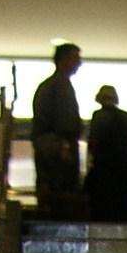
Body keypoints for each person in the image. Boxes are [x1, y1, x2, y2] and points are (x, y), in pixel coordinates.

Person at [29, 43, 83, 217]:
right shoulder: (60, 85)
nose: (79, 63)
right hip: (57, 144)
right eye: (76, 58)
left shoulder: (47, 86)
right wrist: (65, 144)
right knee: (61, 195)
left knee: (47, 190)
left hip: (46, 143)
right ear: (64, 60)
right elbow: (65, 119)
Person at [84, 84, 127, 222]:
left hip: (105, 177)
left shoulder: (99, 117)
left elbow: (94, 144)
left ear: (99, 99)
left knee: (104, 216)